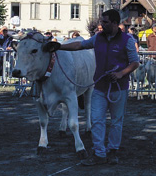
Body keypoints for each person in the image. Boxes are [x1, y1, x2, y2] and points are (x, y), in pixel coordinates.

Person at [53, 9, 139, 166]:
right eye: (101, 21)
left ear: (114, 23)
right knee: (97, 120)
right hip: (99, 86)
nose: (101, 25)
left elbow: (135, 62)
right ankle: (99, 153)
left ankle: (113, 151)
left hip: (118, 88)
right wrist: (59, 46)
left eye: (105, 22)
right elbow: (80, 45)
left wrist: (121, 74)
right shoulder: (97, 38)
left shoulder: (127, 40)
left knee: (116, 121)